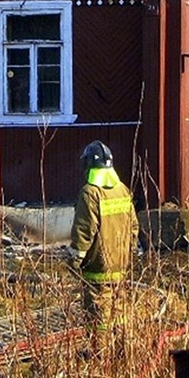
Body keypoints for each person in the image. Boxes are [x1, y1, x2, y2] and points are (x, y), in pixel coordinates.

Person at [69, 140, 139, 330]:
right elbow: (133, 227)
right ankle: (121, 353)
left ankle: (99, 355)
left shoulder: (90, 193)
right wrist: (128, 253)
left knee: (98, 318)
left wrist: (74, 261)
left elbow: (84, 231)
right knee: (119, 315)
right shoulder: (123, 190)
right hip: (121, 266)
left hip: (97, 268)